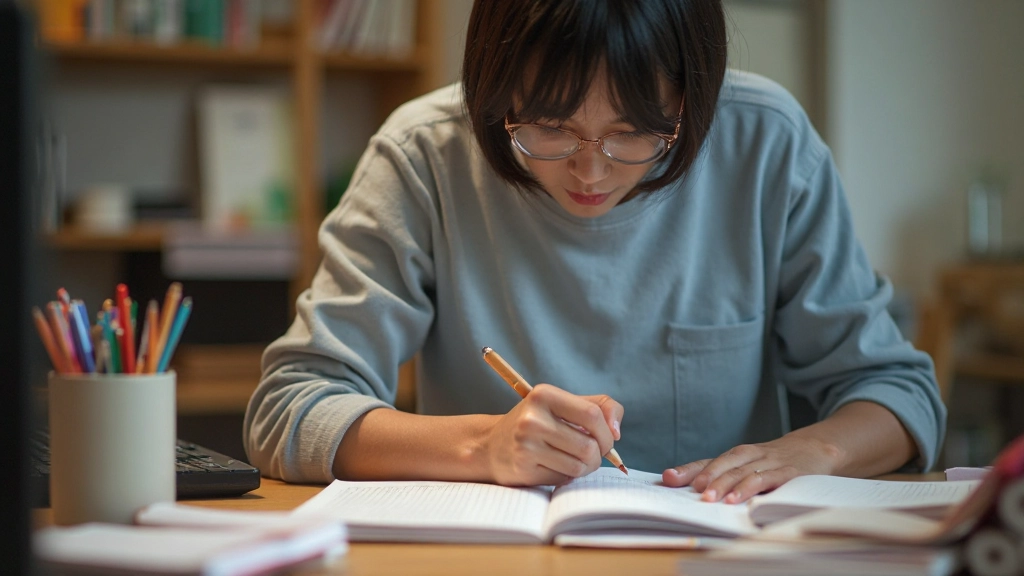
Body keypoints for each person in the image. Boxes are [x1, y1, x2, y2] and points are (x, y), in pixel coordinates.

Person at [244, 0, 945, 504]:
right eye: (550, 127)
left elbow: (899, 394)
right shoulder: (424, 156)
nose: (591, 170)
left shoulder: (765, 145)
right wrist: (483, 446)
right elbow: (288, 407)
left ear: (694, 100)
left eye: (634, 133)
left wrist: (811, 451)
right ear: (495, 88)